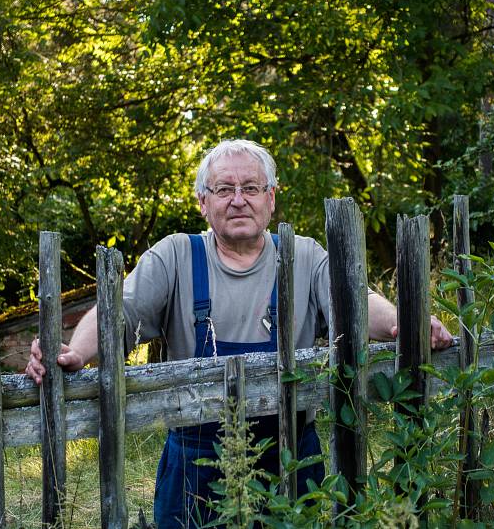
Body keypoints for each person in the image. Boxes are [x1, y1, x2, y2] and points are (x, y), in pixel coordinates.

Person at [25, 139, 453, 528]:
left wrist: (404, 323)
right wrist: (76, 352)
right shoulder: (175, 255)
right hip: (195, 462)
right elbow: (119, 311)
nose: (237, 200)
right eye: (224, 189)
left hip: (289, 460)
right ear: (202, 202)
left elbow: (356, 300)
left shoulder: (303, 255)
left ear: (270, 198)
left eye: (250, 188)